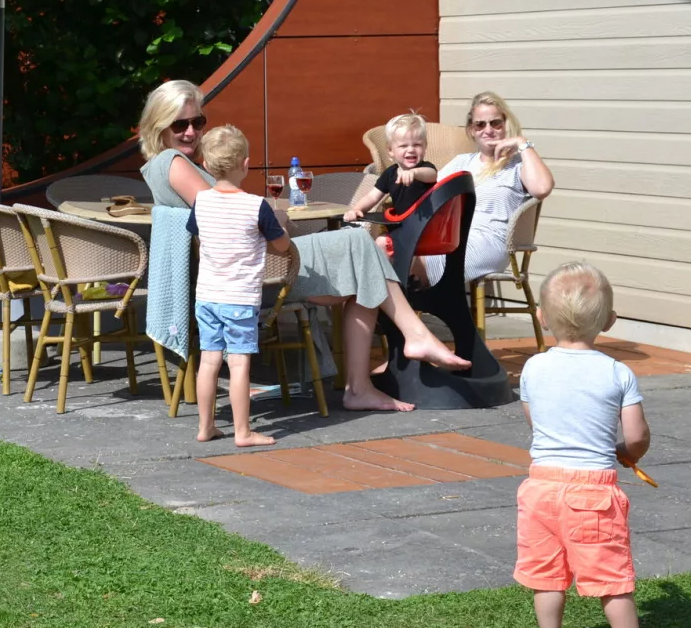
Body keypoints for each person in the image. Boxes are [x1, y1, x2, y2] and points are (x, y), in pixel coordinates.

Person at [137, 80, 468, 413]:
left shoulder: (176, 164)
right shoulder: (172, 162)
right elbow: (225, 215)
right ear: (159, 125)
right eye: (181, 124)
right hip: (258, 272)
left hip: (247, 267)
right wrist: (275, 215)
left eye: (198, 122)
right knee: (359, 245)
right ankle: (407, 343)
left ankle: (369, 380)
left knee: (363, 261)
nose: (192, 132)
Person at [514, 262, 671, 628]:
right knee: (611, 574)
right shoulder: (617, 372)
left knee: (546, 573)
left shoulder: (533, 367)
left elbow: (538, 423)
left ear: (542, 318)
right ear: (610, 320)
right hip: (593, 491)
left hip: (541, 487)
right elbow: (635, 435)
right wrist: (628, 453)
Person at [184, 125, 289, 447]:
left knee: (209, 360)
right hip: (240, 298)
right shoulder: (256, 206)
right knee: (239, 362)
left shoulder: (201, 202)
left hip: (207, 296)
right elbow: (282, 246)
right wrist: (280, 226)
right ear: (246, 164)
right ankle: (243, 431)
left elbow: (199, 237)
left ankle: (206, 427)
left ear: (205, 165)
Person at [422, 92, 554, 287]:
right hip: (455, 238)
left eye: (495, 123)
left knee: (411, 261)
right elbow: (428, 192)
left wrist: (521, 143)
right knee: (392, 250)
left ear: (505, 125)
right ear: (471, 130)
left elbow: (542, 188)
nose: (488, 130)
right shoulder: (462, 162)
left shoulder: (517, 166)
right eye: (480, 124)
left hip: (491, 243)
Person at [344, 112, 437, 262]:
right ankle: (388, 281)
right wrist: (357, 209)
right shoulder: (390, 174)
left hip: (425, 231)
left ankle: (414, 280)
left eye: (417, 145)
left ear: (425, 147)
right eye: (403, 145)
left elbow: (432, 175)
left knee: (417, 259)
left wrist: (414, 173)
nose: (411, 149)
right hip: (400, 230)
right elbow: (373, 196)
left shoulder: (425, 169)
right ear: (390, 151)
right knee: (380, 242)